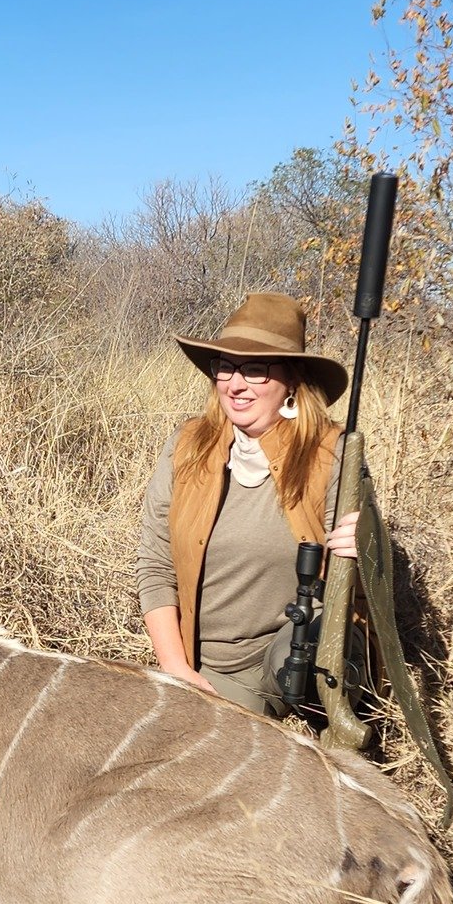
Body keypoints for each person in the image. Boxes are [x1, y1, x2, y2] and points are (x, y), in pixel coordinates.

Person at [136, 292, 361, 717]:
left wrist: (366, 549)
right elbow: (155, 565)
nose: (235, 384)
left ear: (291, 380)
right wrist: (176, 669)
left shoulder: (333, 453)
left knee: (310, 658)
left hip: (288, 652)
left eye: (255, 371)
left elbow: (359, 581)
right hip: (211, 665)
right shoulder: (186, 447)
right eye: (225, 367)